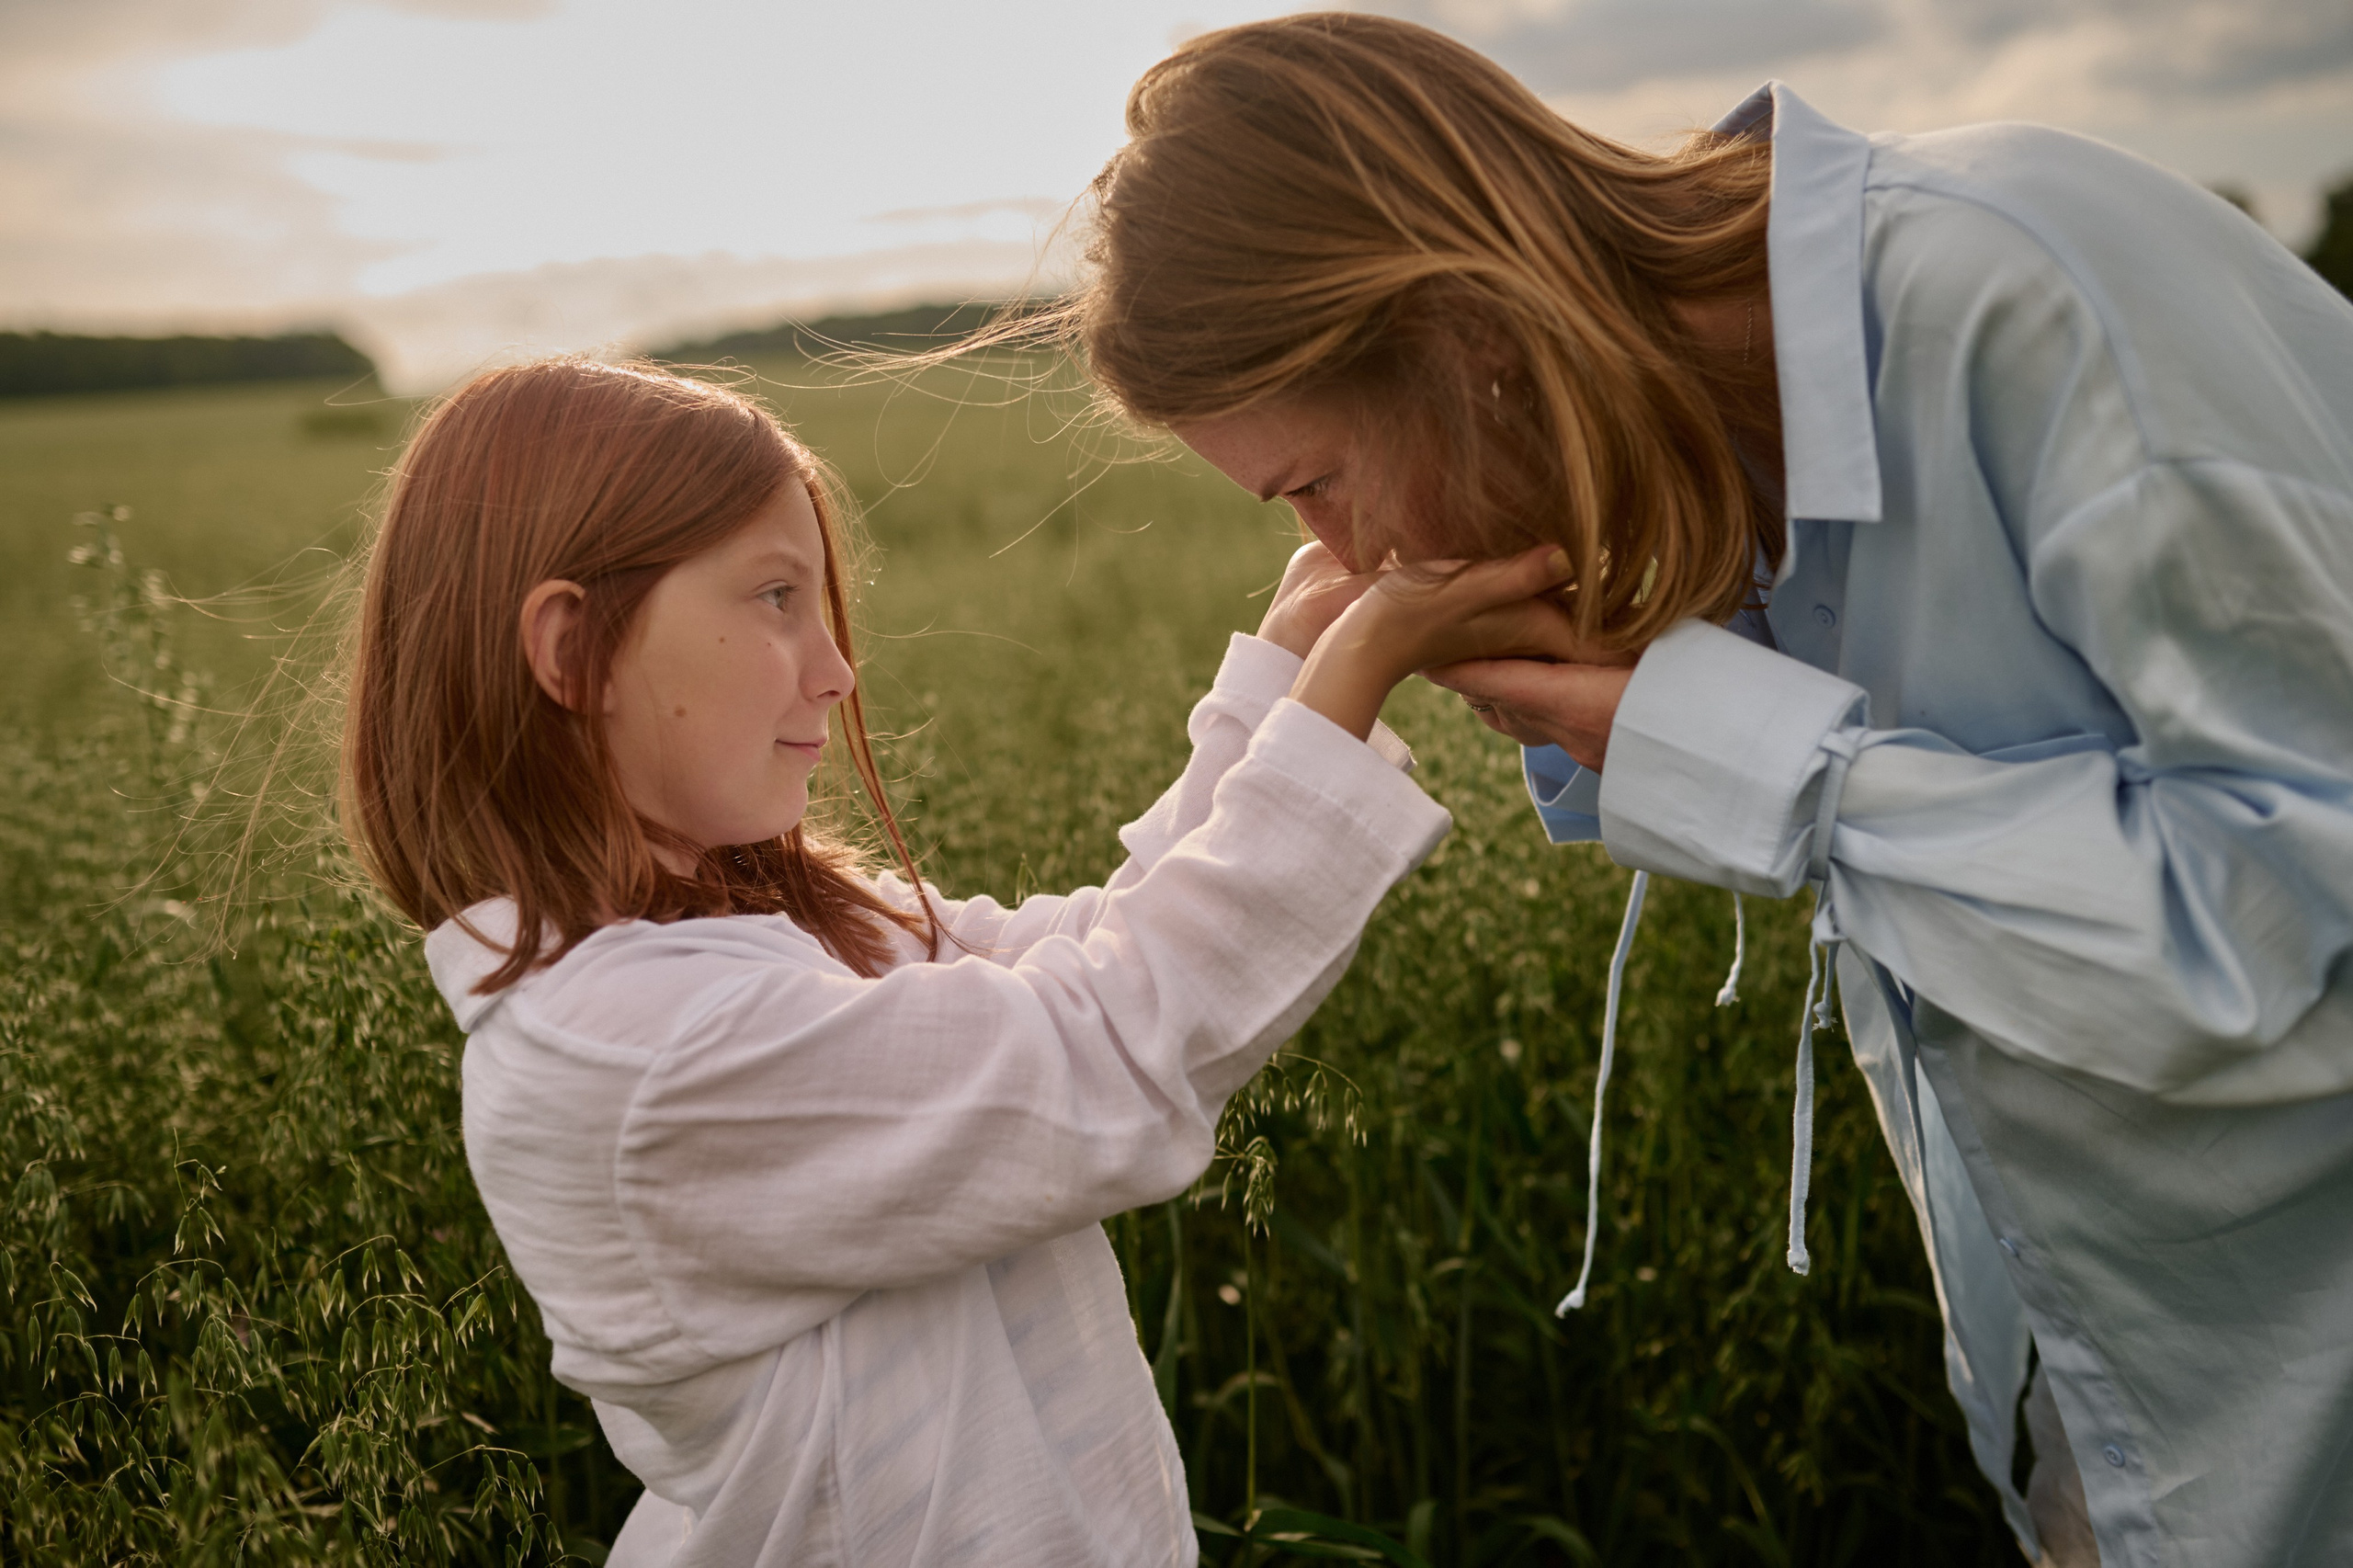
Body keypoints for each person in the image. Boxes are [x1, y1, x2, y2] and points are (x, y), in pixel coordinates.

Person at [1040, 13, 2353, 1566]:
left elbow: (2299, 924)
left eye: (1315, 483)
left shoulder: (2031, 299)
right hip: (2113, 1425)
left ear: (1463, 333)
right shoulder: (1749, 432)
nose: (1351, 564)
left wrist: (1752, 761)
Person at [337, 356, 1581, 1566]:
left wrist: (1290, 654)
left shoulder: (734, 935)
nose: (835, 669)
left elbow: (1088, 953)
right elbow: (1103, 1050)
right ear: (569, 651)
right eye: (776, 597)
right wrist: (1354, 670)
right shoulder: (643, 1054)